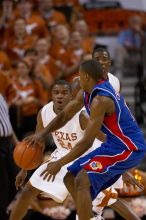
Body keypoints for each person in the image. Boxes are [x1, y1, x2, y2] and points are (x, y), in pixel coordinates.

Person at [32, 59, 146, 220]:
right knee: (69, 178)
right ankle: (91, 216)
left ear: (86, 76)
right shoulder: (85, 91)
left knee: (82, 179)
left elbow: (86, 142)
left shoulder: (101, 100)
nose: (77, 79)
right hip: (113, 144)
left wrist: (59, 163)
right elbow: (65, 114)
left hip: (129, 147)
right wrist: (42, 133)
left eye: (79, 75)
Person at [0, 93, 19, 220]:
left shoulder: (1, 95)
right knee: (2, 184)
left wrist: (17, 143)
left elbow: (7, 122)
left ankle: (8, 211)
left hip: (8, 142)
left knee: (17, 179)